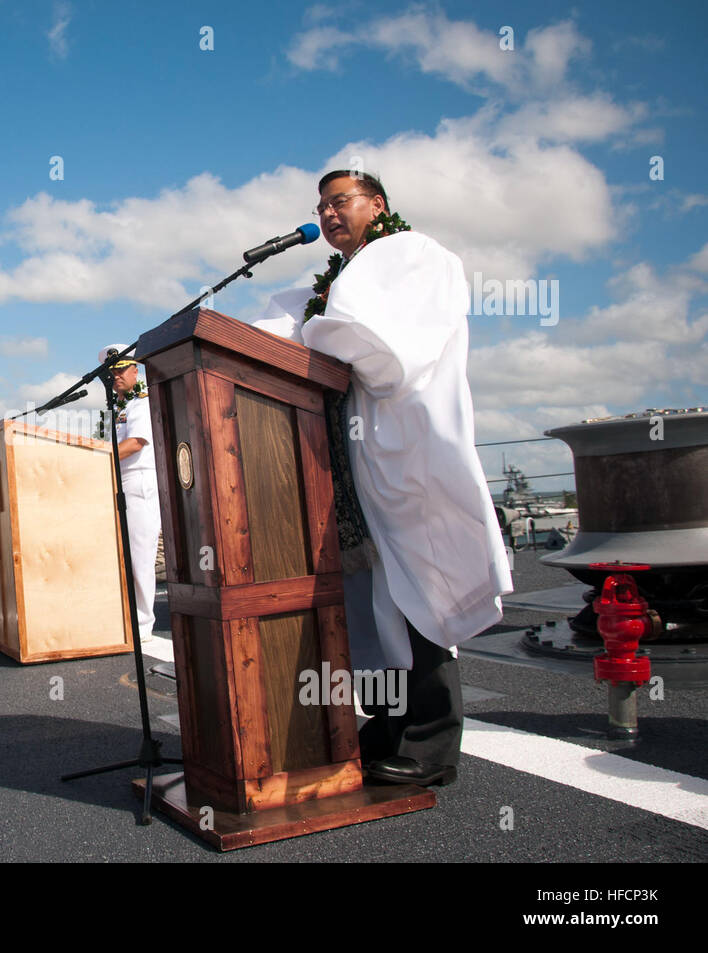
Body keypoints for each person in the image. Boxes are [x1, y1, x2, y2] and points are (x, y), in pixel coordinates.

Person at [255, 170, 512, 786]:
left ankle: (432, 745)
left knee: (419, 591)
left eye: (340, 200)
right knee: (374, 605)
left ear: (379, 204)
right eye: (321, 205)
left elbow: (389, 353)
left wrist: (319, 334)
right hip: (352, 459)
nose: (328, 212)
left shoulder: (410, 255)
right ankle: (390, 724)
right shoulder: (334, 282)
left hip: (405, 448)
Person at [99, 344, 161, 646]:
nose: (116, 377)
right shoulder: (119, 409)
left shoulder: (142, 404)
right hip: (118, 483)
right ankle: (124, 618)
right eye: (112, 373)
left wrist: (96, 458)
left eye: (122, 370)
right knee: (121, 556)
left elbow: (136, 442)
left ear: (136, 370)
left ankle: (142, 623)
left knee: (139, 556)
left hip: (139, 484)